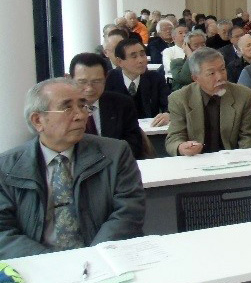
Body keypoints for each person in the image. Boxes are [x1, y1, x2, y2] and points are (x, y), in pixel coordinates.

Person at [0, 78, 144, 258]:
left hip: (103, 259)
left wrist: (93, 257)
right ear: (38, 120)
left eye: (83, 106)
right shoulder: (6, 167)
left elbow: (128, 212)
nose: (81, 115)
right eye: (67, 108)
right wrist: (52, 263)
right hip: (39, 265)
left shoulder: (115, 153)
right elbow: (3, 232)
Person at [165, 48, 251, 156]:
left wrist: (242, 159)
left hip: (233, 159)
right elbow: (174, 137)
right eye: (211, 73)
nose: (220, 77)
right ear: (195, 78)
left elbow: (248, 136)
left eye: (222, 69)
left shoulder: (242, 95)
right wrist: (181, 147)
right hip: (196, 160)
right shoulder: (179, 99)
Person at [69, 53, 144, 159]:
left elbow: (134, 145)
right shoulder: (61, 110)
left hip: (115, 166)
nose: (89, 88)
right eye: (82, 82)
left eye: (96, 81)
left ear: (105, 78)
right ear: (70, 79)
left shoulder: (122, 104)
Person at [105, 38, 170, 125]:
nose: (141, 60)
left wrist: (168, 114)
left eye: (142, 55)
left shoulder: (156, 78)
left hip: (151, 130)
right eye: (134, 56)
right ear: (120, 62)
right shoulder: (108, 80)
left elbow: (169, 104)